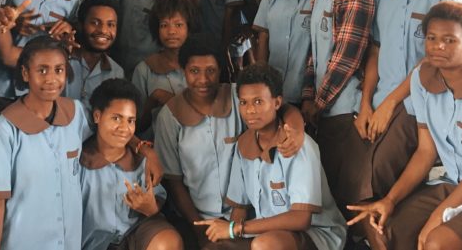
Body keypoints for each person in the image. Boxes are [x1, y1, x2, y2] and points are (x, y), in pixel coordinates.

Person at [351, 0, 462, 226]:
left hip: (419, 102)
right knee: (357, 169)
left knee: (377, 174)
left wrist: (391, 103)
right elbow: (375, 49)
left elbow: (439, 57)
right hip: (381, 99)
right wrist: (366, 103)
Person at [155, 35, 305, 249]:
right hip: (200, 218)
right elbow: (175, 182)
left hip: (251, 213)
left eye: (211, 70)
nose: (203, 79)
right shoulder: (169, 116)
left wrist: (297, 129)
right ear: (183, 70)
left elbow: (282, 108)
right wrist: (199, 230)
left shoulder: (239, 97)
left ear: (220, 70)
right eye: (194, 71)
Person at [347, 1, 462, 250]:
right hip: (452, 184)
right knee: (384, 231)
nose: (438, 46)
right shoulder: (422, 79)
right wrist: (390, 200)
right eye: (431, 38)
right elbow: (426, 151)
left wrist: (438, 216)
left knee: (436, 241)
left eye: (450, 40)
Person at [196, 63, 347, 250]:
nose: (250, 110)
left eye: (258, 102)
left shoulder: (296, 145)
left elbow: (301, 219)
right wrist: (230, 238)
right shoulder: (243, 145)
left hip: (315, 234)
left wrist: (237, 229)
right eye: (243, 102)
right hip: (264, 231)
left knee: (264, 245)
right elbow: (240, 208)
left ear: (277, 103)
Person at [0, 36, 91, 250]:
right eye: (42, 70)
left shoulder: (76, 114)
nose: (51, 79)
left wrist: (141, 148)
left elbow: (109, 132)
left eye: (58, 70)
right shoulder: (4, 131)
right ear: (25, 73)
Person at [301, 0, 374, 206]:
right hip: (323, 106)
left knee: (352, 195)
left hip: (345, 107)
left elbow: (347, 57)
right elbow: (314, 50)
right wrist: (308, 96)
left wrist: (319, 103)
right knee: (329, 190)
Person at [81, 78, 183, 250]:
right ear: (97, 116)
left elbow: (156, 199)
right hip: (93, 243)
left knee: (168, 241)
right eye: (116, 118)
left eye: (131, 121)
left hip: (135, 234)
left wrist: (150, 207)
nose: (124, 128)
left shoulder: (142, 162)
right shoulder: (80, 162)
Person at [253, 0, 315, 106]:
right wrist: (262, 80)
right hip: (273, 89)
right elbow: (263, 37)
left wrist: (310, 95)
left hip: (306, 90)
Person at [132, 0, 196, 133]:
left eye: (178, 25)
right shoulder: (144, 70)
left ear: (189, 28)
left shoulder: (199, 66)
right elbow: (135, 126)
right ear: (157, 30)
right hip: (156, 142)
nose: (171, 31)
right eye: (164, 25)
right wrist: (153, 100)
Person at [63, 0, 125, 112]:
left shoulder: (116, 72)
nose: (103, 30)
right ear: (80, 25)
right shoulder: (61, 59)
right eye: (95, 23)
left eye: (110, 24)